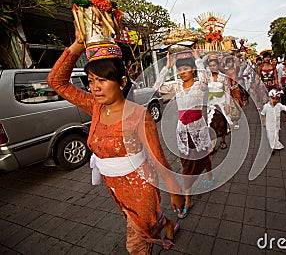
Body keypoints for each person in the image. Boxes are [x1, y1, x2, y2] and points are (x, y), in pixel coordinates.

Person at [47, 28, 184, 254]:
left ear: (121, 81)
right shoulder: (95, 106)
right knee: (142, 224)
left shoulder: (139, 115)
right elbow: (56, 81)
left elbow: (158, 158)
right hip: (114, 188)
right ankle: (167, 224)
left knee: (136, 244)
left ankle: (155, 230)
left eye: (102, 80)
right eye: (91, 81)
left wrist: (175, 190)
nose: (95, 87)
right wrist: (78, 44)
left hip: (141, 187)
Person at [154, 49, 214, 218]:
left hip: (199, 128)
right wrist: (167, 67)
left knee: (203, 155)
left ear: (193, 69)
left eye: (185, 69)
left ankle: (209, 173)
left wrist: (198, 59)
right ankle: (188, 199)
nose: (182, 73)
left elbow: (206, 78)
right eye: (179, 70)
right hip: (183, 131)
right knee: (187, 165)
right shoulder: (177, 86)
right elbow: (157, 87)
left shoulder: (200, 84)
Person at [206, 55, 233, 152]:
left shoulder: (223, 77)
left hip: (222, 103)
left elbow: (227, 92)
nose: (212, 67)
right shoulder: (207, 78)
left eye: (214, 65)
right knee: (212, 123)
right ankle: (213, 145)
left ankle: (223, 140)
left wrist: (228, 105)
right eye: (210, 65)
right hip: (211, 104)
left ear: (218, 65)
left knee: (222, 123)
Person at [260, 89, 286, 153]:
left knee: (275, 135)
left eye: (277, 99)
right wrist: (264, 121)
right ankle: (271, 148)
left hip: (276, 125)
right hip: (269, 125)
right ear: (269, 98)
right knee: (270, 136)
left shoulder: (279, 105)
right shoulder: (266, 106)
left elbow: (285, 108)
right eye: (273, 99)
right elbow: (262, 114)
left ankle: (275, 145)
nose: (275, 100)